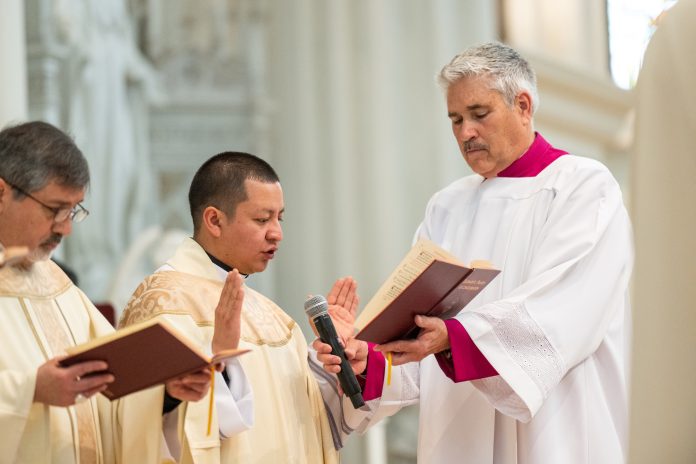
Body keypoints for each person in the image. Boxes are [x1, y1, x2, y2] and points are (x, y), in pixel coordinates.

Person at [315, 42, 634, 464]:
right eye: (456, 120)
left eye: (479, 115)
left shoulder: (583, 187)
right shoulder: (446, 208)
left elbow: (564, 312)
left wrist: (455, 339)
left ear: (523, 105)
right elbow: (418, 335)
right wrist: (368, 357)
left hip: (560, 433)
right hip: (459, 440)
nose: (466, 133)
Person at [119, 151, 357, 463]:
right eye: (262, 219)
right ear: (214, 220)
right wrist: (221, 360)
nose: (277, 233)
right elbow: (143, 426)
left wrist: (330, 361)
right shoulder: (164, 305)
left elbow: (303, 425)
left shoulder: (274, 318)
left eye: (279, 218)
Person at [0, 120, 213, 463]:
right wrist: (31, 390)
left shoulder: (58, 284)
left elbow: (106, 398)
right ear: (1, 192)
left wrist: (166, 394)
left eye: (74, 211)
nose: (66, 228)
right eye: (55, 209)